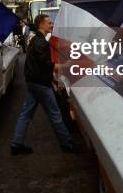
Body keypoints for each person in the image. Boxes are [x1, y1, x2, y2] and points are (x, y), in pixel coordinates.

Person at [10, 14, 75, 154]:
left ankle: (16, 144)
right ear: (41, 25)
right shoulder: (41, 43)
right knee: (55, 114)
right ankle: (67, 143)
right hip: (41, 84)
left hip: (33, 83)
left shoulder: (36, 40)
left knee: (26, 114)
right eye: (49, 23)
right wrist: (64, 65)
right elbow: (46, 64)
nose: (52, 25)